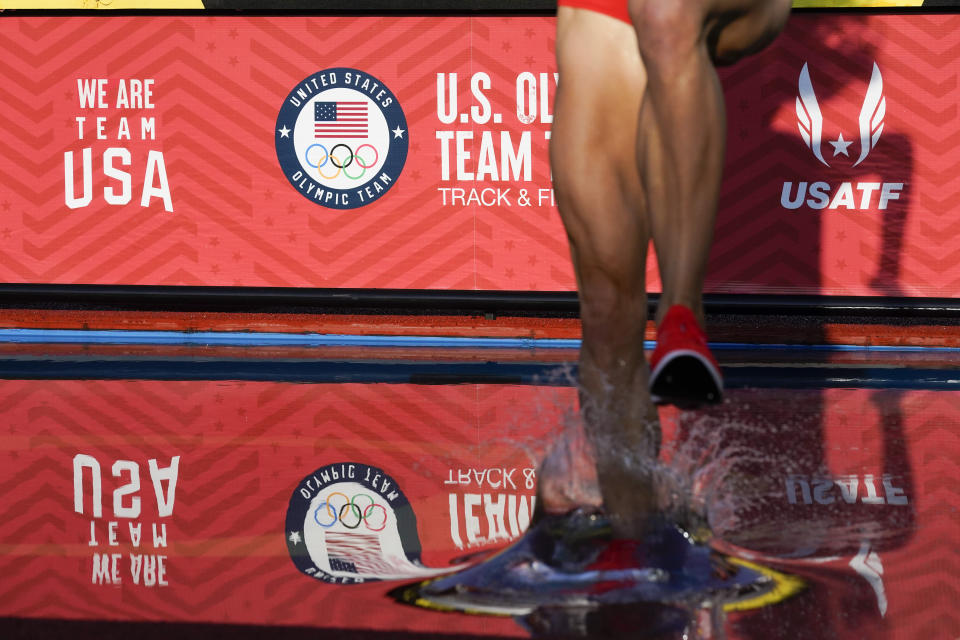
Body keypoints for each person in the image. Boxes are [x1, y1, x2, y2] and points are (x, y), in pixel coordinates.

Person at [547, 0, 792, 538]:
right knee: (607, 312)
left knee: (664, 9)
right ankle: (637, 540)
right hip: (598, 22)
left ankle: (682, 311)